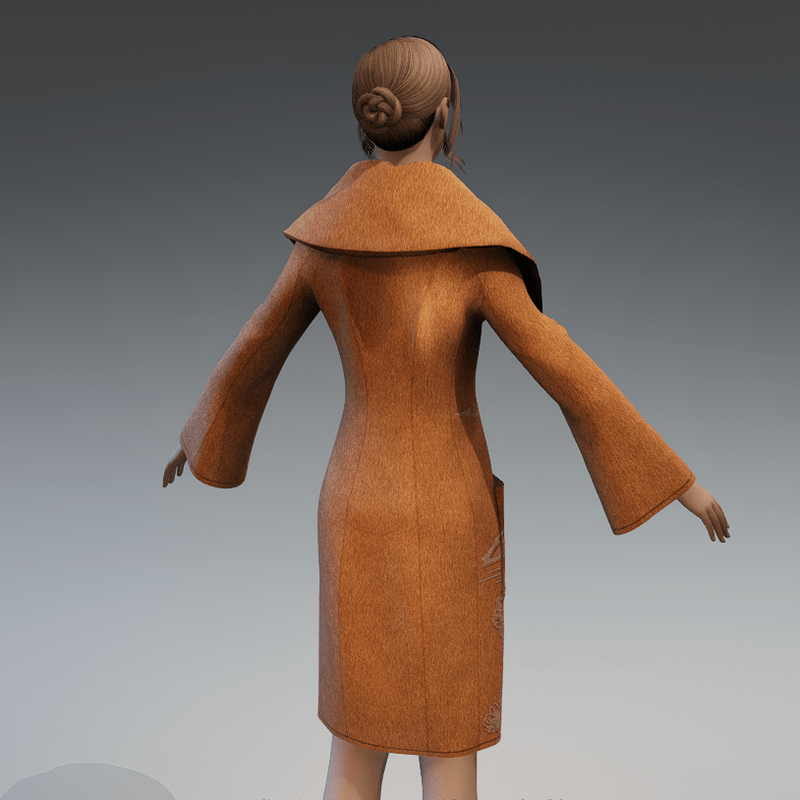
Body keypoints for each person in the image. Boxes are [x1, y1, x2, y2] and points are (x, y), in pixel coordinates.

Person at [163, 35, 729, 800]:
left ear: (367, 122)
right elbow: (565, 368)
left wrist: (198, 439)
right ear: (444, 116)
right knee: (449, 749)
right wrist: (678, 481)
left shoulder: (324, 241)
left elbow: (254, 346)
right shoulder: (471, 246)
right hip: (448, 513)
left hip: (353, 505)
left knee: (353, 748)